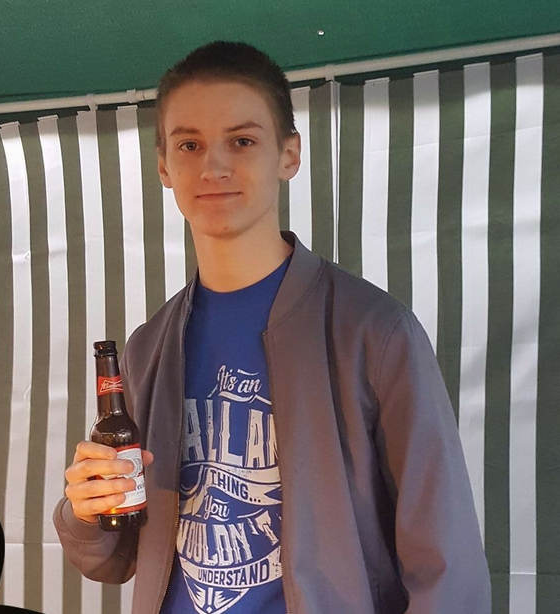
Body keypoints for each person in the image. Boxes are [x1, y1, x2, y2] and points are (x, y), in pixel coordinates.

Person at [53, 40, 492, 614]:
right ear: (163, 166)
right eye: (189, 144)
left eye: (242, 140)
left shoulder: (376, 333)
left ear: (289, 154)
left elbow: (447, 569)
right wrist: (87, 510)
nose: (213, 167)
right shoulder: (147, 347)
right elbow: (115, 558)